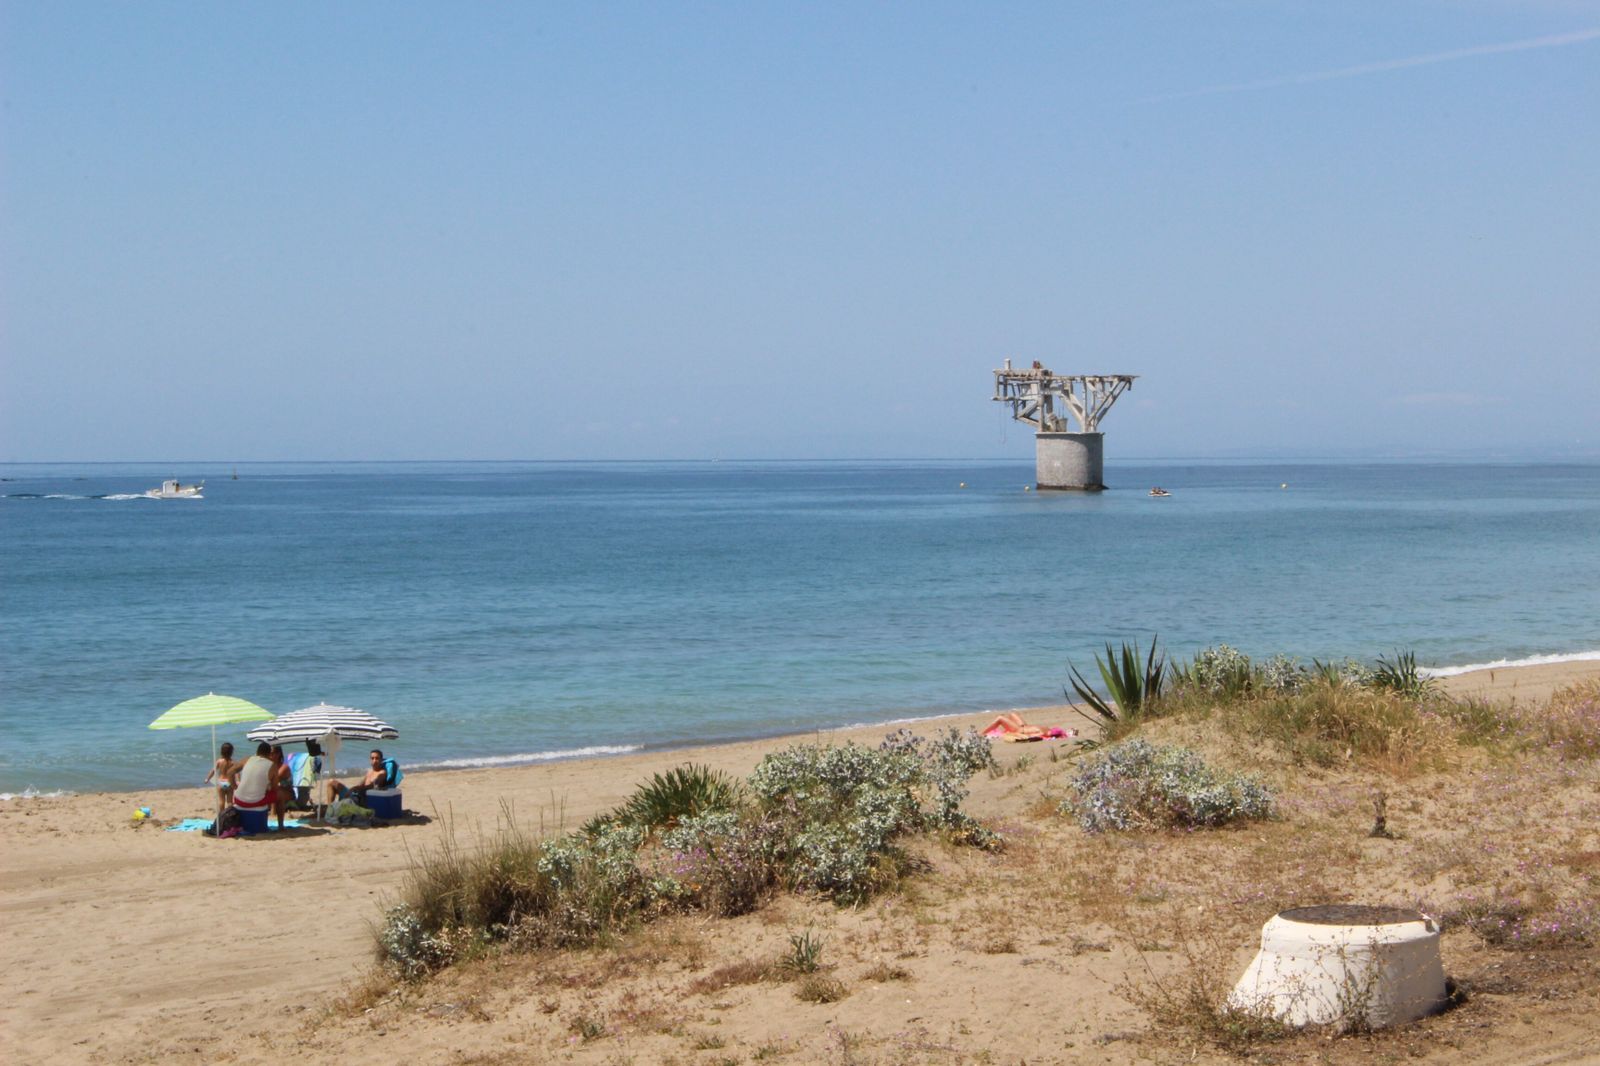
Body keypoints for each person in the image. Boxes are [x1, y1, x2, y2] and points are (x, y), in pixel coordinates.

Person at [327, 749, 395, 804]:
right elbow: (361, 784)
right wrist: (353, 789)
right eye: (372, 758)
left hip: (361, 799)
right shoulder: (370, 771)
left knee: (350, 791)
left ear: (381, 760)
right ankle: (329, 808)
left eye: (377, 758)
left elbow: (372, 786)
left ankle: (332, 809)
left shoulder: (382, 773)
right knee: (331, 782)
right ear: (370, 760)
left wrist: (355, 788)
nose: (374, 761)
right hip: (355, 794)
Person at [233, 742, 275, 813]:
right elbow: (274, 788)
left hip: (238, 800)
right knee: (277, 794)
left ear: (257, 751)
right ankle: (279, 822)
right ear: (269, 754)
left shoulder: (247, 759)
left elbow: (229, 772)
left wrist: (234, 786)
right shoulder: (272, 765)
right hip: (255, 802)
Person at [203, 742, 237, 815]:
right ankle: (229, 815)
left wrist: (207, 779)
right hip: (229, 782)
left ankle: (221, 815)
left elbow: (213, 771)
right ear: (232, 752)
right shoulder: (233, 762)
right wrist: (238, 781)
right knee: (229, 801)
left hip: (221, 783)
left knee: (221, 801)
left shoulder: (219, 761)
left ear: (221, 751)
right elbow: (237, 773)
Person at [268, 745, 293, 830]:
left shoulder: (284, 767)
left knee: (276, 790)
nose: (269, 756)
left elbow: (272, 781)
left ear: (278, 754)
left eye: (271, 754)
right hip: (277, 790)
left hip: (288, 793)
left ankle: (273, 812)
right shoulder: (271, 767)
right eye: (268, 754)